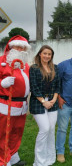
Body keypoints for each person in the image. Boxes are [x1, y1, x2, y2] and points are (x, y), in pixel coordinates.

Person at [0, 35, 31, 166]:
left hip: (21, 105)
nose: (21, 49)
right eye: (18, 46)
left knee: (17, 132)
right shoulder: (2, 62)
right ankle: (2, 160)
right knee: (4, 134)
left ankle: (13, 156)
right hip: (7, 104)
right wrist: (2, 83)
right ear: (11, 47)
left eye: (23, 47)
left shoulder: (25, 66)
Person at [29, 45, 60, 166]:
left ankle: (50, 159)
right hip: (38, 102)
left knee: (51, 130)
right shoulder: (34, 68)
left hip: (53, 102)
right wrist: (44, 101)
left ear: (51, 56)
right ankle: (39, 162)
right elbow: (34, 87)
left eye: (49, 54)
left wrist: (53, 100)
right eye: (45, 53)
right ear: (40, 54)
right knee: (45, 129)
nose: (47, 56)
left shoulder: (55, 68)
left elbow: (58, 85)